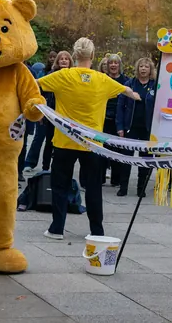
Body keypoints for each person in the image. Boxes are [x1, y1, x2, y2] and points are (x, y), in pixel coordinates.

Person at [37, 38, 140, 239]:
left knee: (60, 185)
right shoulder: (101, 80)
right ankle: (96, 230)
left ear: (74, 56)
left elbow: (35, 83)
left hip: (65, 140)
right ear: (93, 56)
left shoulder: (63, 76)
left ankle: (57, 228)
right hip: (92, 143)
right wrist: (136, 95)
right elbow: (127, 91)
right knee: (93, 187)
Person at [116, 57, 157, 197]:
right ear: (137, 69)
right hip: (130, 128)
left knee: (145, 159)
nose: (143, 69)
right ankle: (123, 187)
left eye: (146, 66)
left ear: (150, 69)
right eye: (141, 66)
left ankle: (141, 188)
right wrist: (120, 127)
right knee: (126, 158)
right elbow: (120, 107)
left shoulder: (155, 86)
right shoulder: (129, 84)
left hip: (147, 129)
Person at [24, 50, 70, 173]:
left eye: (66, 58)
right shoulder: (50, 75)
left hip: (66, 116)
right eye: (61, 59)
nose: (64, 60)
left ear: (70, 61)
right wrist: (41, 113)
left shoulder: (73, 77)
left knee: (63, 145)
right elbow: (40, 93)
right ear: (57, 61)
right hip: (49, 114)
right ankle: (44, 168)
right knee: (46, 141)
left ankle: (60, 169)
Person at [99, 54, 128, 187]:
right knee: (102, 149)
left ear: (119, 65)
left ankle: (116, 179)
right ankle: (100, 177)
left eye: (116, 63)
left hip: (119, 118)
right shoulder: (101, 79)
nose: (113, 65)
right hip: (103, 117)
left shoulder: (126, 80)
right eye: (111, 63)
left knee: (117, 150)